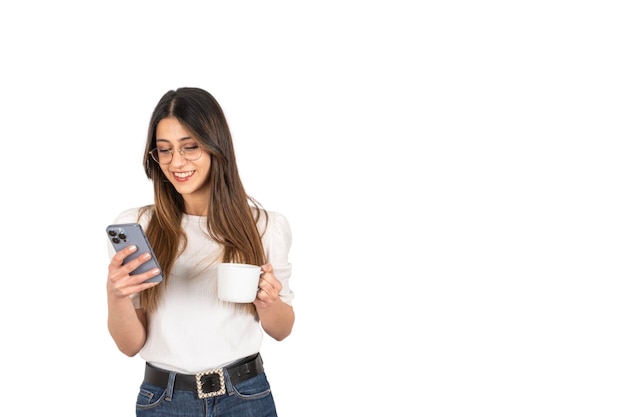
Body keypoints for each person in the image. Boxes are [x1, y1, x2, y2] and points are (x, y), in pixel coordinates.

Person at [106, 87, 295, 417]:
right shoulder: (140, 226)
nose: (176, 162)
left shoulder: (265, 226)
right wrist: (116, 296)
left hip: (245, 397)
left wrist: (270, 302)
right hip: (163, 401)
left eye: (189, 147)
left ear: (215, 146)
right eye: (164, 151)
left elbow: (282, 329)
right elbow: (129, 346)